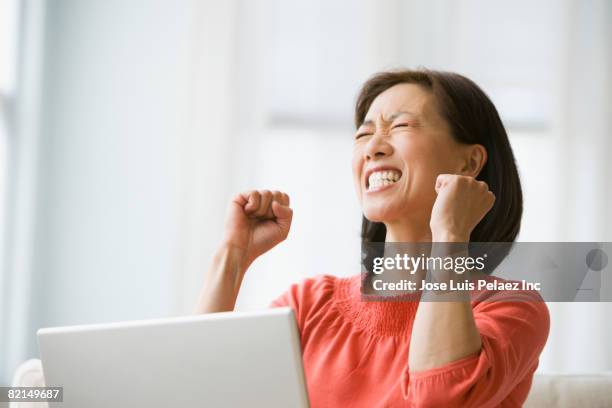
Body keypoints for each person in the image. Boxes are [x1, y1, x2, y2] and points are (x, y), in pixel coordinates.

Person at [194, 69, 550, 407]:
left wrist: (451, 235)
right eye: (363, 134)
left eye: (400, 126)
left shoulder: (512, 307)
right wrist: (233, 256)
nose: (372, 148)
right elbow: (204, 390)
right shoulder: (310, 304)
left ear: (469, 163)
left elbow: (441, 397)